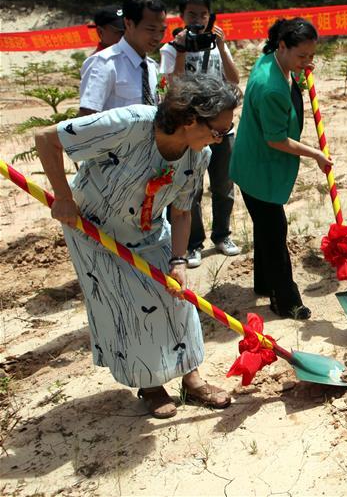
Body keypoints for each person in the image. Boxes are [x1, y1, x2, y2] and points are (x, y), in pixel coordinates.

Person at [34, 74, 240, 418]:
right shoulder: (129, 123)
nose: (220, 140)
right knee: (132, 306)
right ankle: (150, 385)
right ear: (190, 120)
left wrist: (178, 260)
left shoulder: (197, 155)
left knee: (178, 300)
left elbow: (182, 211)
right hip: (94, 231)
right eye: (218, 131)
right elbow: (46, 139)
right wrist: (64, 198)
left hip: (149, 229)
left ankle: (192, 379)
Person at [230, 18, 331, 318]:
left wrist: (299, 70)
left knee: (266, 227)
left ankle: (264, 283)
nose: (307, 62)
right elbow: (276, 139)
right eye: (302, 56)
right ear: (283, 46)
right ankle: (285, 301)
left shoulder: (270, 60)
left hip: (252, 161)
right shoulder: (271, 86)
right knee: (275, 232)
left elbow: (290, 82)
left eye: (311, 55)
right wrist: (315, 154)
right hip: (260, 168)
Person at [160, 0, 242, 267]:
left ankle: (222, 235)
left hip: (220, 129)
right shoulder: (171, 48)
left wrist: (222, 46)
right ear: (181, 16)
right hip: (190, 130)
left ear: (210, 16)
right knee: (190, 188)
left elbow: (234, 79)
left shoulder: (217, 45)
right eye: (192, 14)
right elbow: (172, 84)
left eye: (203, 14)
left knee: (223, 184)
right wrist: (182, 50)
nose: (198, 19)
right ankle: (193, 243)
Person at [78, 0, 167, 116]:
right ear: (129, 24)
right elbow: (86, 116)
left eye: (162, 30)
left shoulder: (153, 67)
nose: (157, 37)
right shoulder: (103, 63)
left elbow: (163, 100)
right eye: (151, 29)